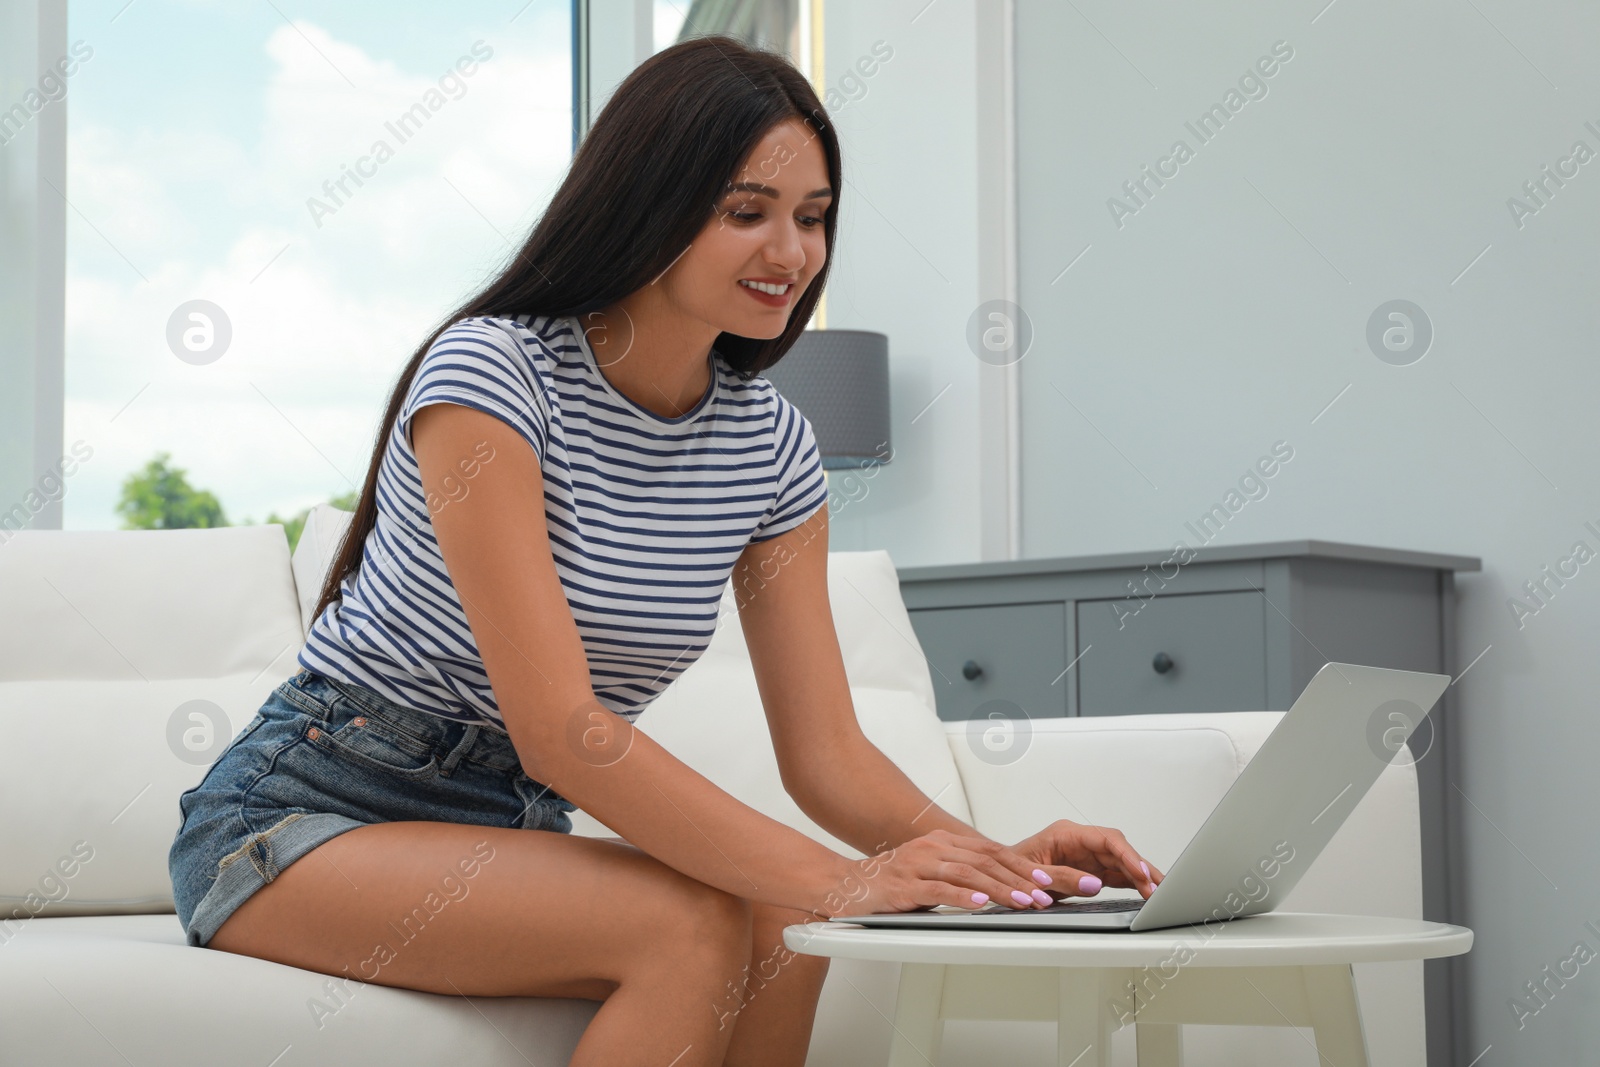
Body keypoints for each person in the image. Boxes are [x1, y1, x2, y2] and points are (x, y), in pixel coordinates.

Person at [167, 34, 1164, 1066]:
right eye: (747, 212)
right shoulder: (496, 376)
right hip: (304, 814)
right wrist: (834, 873)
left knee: (792, 927)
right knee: (690, 922)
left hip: (498, 827)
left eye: (812, 218)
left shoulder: (772, 447)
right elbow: (560, 731)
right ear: (649, 201)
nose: (790, 252)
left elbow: (825, 755)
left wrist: (996, 866)